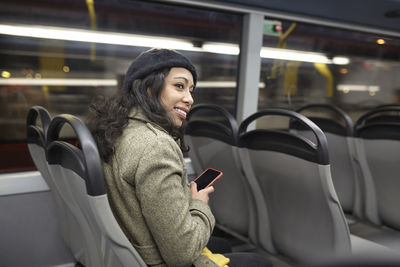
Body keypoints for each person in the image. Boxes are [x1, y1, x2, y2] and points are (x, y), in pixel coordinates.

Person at [87, 48, 272, 267]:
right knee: (259, 262)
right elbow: (181, 255)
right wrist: (198, 204)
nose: (190, 98)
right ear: (147, 89)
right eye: (179, 86)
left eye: (191, 90)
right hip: (155, 260)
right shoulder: (156, 146)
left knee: (222, 245)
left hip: (132, 248)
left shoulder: (118, 129)